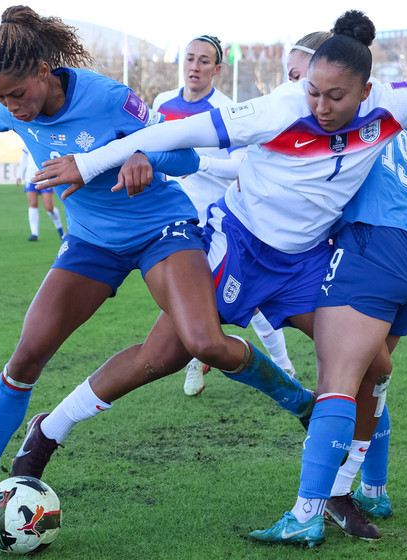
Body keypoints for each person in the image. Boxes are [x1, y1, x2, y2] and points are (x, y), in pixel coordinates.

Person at [29, 9, 407, 548]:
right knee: (161, 356)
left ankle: (337, 490)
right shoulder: (277, 109)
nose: (320, 106)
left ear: (365, 92)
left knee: (373, 366)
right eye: (312, 90)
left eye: (335, 96)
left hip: (305, 263)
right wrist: (90, 164)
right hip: (238, 247)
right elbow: (178, 129)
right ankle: (49, 430)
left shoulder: (394, 103)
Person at [0, 5, 307, 544]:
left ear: (43, 70)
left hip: (162, 229)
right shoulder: (13, 110)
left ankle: (300, 400)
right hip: (90, 243)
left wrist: (143, 157)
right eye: (3, 98)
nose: (12, 107)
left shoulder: (110, 98)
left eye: (17, 94)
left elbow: (184, 157)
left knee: (204, 342)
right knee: (25, 357)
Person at [153, 34, 295, 395]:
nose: (194, 66)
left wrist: (198, 164)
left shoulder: (227, 110)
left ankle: (283, 367)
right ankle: (196, 358)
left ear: (217, 69)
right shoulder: (162, 103)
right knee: (185, 296)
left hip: (220, 221)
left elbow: (240, 165)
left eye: (204, 61)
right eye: (190, 58)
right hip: (175, 222)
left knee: (249, 297)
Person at [17, 145, 65, 242]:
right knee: (32, 204)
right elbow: (24, 159)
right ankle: (34, 234)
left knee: (49, 207)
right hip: (30, 177)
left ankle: (60, 229)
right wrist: (19, 174)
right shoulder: (27, 142)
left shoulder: (45, 141)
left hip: (45, 176)